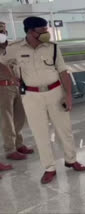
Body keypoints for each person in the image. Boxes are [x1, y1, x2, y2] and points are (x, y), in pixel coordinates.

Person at [0, 16, 85, 184]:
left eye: (47, 29)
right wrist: (12, 77)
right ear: (31, 32)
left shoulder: (52, 48)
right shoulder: (14, 48)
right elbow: (1, 61)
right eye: (42, 30)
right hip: (31, 96)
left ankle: (71, 159)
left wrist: (68, 95)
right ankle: (49, 168)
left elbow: (63, 72)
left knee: (64, 129)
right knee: (40, 133)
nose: (46, 33)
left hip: (55, 92)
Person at [0, 21, 34, 161]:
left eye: (3, 30)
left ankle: (18, 143)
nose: (2, 32)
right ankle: (10, 149)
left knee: (20, 117)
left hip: (17, 85)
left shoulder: (11, 46)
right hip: (2, 87)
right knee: (6, 119)